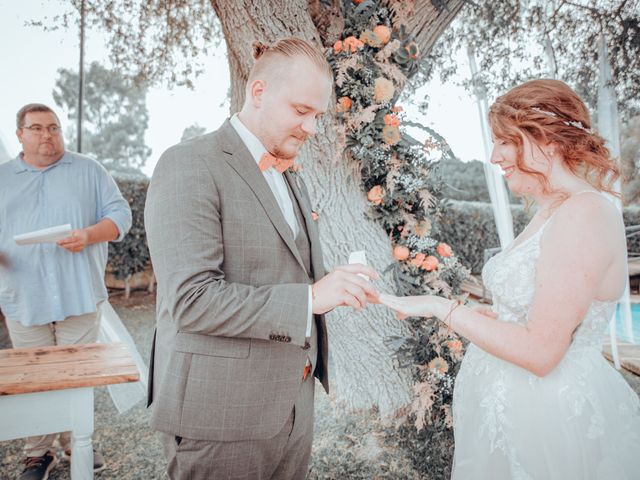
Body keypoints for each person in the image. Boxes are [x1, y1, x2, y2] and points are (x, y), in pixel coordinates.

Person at [380, 79, 640, 479]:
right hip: (515, 413)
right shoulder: (552, 209)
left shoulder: (583, 214)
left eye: (505, 140)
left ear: (548, 140)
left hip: (552, 422)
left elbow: (541, 352)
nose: (494, 155)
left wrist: (441, 308)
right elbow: (523, 317)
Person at [145, 37, 379, 480]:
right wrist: (310, 298)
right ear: (258, 92)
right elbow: (192, 299)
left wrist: (337, 283)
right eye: (301, 111)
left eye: (317, 115)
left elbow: (281, 269)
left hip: (292, 406)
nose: (311, 128)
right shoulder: (188, 164)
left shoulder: (293, 176)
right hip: (220, 417)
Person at [0, 103, 132, 480]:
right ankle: (38, 455)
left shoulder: (89, 170)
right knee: (35, 380)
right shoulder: (1, 178)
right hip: (23, 299)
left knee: (76, 378)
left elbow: (121, 216)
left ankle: (78, 443)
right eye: (37, 128)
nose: (48, 135)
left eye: (54, 127)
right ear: (20, 135)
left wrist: (89, 235)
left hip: (78, 295)